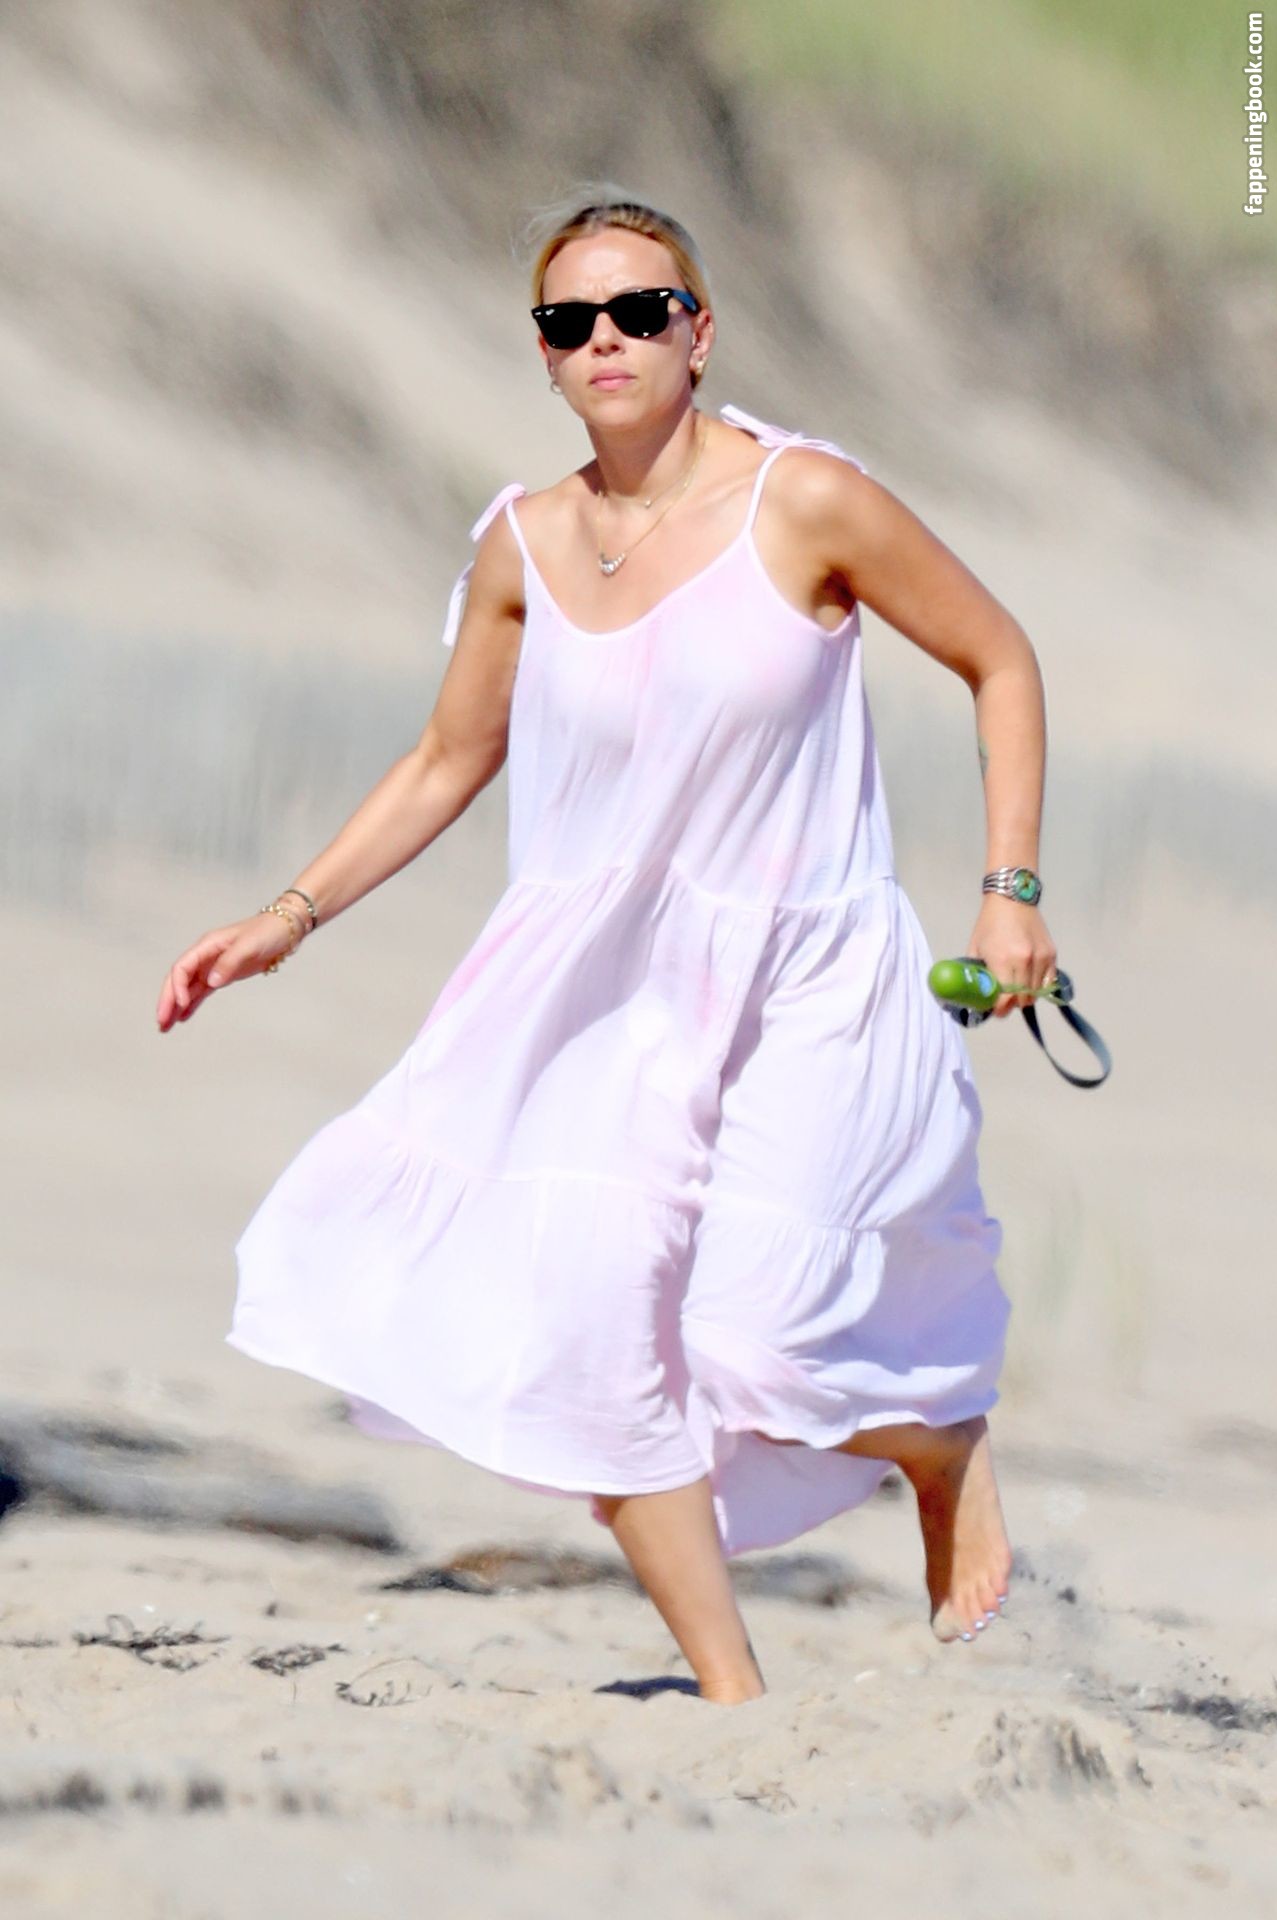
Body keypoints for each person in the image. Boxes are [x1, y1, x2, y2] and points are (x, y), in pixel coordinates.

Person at [156, 186, 1057, 1708]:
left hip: (810, 980)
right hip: (604, 995)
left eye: (641, 311)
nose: (607, 342)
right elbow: (448, 760)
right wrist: (284, 918)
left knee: (760, 1336)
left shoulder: (806, 502)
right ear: (546, 354)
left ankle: (938, 1446)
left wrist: (1010, 887)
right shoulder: (520, 543)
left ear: (699, 334)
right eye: (570, 322)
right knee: (594, 1348)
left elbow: (1000, 656)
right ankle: (733, 1704)